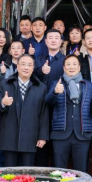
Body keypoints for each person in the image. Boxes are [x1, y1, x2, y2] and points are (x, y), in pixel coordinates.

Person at [0, 54, 49, 167]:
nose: (26, 67)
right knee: (10, 172)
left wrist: (43, 136)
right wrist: (3, 102)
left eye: (29, 65)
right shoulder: (5, 84)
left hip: (31, 136)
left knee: (27, 171)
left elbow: (44, 113)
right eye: (23, 64)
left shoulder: (41, 87)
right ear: (17, 66)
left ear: (33, 68)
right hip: (9, 135)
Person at [46, 55, 92, 172]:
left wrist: (90, 129)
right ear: (64, 68)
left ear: (79, 67)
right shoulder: (57, 83)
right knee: (59, 171)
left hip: (82, 135)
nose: (71, 67)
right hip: (60, 134)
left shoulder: (88, 85)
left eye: (74, 64)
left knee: (81, 171)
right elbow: (48, 102)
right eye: (68, 64)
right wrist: (54, 92)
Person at [33, 29, 65, 166]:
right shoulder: (38, 59)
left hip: (59, 106)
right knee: (40, 142)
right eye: (50, 37)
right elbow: (30, 78)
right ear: (45, 41)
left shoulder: (65, 60)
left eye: (56, 38)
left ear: (61, 41)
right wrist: (40, 71)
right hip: (39, 106)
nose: (53, 40)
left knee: (56, 144)